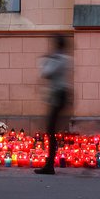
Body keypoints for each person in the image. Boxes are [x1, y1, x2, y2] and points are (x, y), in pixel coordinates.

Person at [34, 34, 71, 175]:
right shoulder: (65, 58)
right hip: (61, 95)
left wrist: (44, 60)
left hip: (58, 96)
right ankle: (50, 164)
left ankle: (50, 165)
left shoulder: (58, 59)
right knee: (51, 131)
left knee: (51, 131)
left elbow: (46, 73)